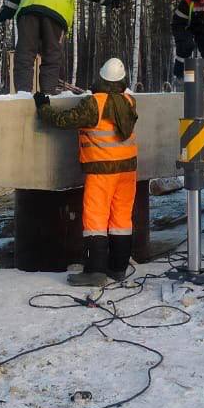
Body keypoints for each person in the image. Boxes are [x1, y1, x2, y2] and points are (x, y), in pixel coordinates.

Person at [34, 57, 138, 286]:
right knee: (121, 220)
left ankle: (95, 272)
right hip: (128, 172)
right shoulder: (130, 101)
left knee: (95, 220)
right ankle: (118, 268)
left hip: (102, 172)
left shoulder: (94, 104)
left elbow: (64, 120)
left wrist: (43, 108)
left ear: (100, 77)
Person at [0, 0, 123, 93]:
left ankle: (23, 94)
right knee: (51, 58)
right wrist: (111, 0)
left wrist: (5, 13)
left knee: (24, 54)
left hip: (28, 14)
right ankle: (47, 96)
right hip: (56, 18)